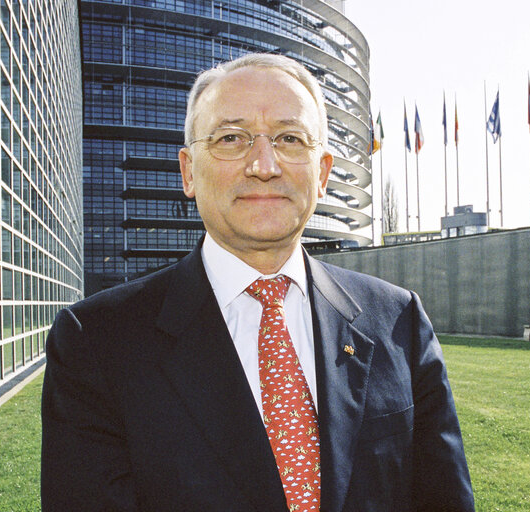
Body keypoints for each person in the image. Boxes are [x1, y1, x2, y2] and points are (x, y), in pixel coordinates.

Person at [41, 53, 475, 512]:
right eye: (231, 138)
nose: (264, 164)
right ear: (188, 171)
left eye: (289, 138)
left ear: (323, 172)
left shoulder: (397, 320)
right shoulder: (98, 342)